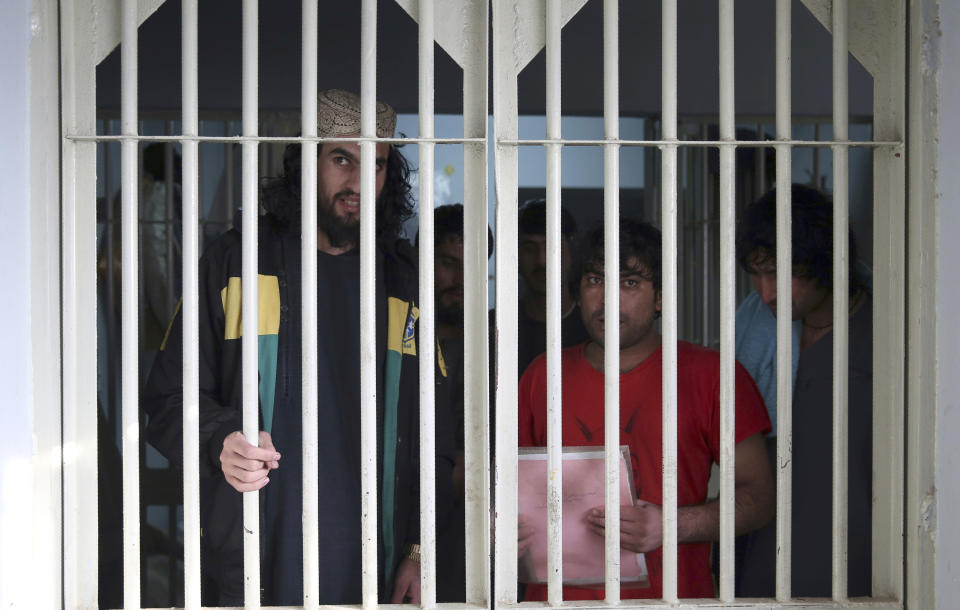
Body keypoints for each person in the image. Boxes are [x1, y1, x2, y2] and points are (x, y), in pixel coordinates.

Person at [142, 89, 454, 606]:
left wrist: (423, 551)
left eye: (375, 165)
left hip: (380, 563)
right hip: (257, 564)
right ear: (302, 162)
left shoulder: (403, 278)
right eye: (341, 160)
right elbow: (166, 399)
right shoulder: (236, 264)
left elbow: (439, 431)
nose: (358, 183)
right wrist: (221, 439)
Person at [517, 217, 775, 600]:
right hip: (555, 600)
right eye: (594, 280)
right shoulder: (543, 374)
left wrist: (670, 524)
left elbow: (760, 497)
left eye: (630, 282)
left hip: (669, 599)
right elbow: (506, 490)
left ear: (659, 298)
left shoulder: (712, 375)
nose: (607, 299)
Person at [735, 184, 873, 597]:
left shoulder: (881, 334)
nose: (765, 293)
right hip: (760, 555)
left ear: (822, 262)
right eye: (756, 274)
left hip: (857, 566)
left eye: (777, 273)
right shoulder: (755, 325)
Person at [416, 203, 493, 602]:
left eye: (474, 264)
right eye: (448, 262)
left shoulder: (497, 346)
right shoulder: (389, 337)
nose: (461, 278)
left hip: (476, 542)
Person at [508, 199, 591, 377]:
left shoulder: (595, 328)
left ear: (572, 251)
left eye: (551, 247)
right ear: (515, 256)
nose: (541, 261)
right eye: (529, 249)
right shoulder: (496, 326)